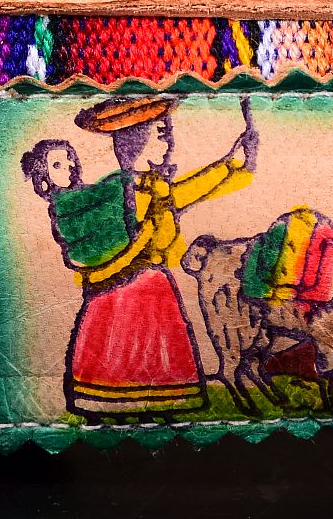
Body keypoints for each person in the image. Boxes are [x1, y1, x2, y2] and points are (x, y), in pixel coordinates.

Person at [22, 96, 258, 418]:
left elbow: (185, 192)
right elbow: (148, 220)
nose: (168, 141)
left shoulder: (148, 188)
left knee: (159, 356)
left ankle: (158, 411)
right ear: (137, 143)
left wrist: (230, 163)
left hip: (153, 286)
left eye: (167, 133)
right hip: (122, 294)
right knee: (122, 354)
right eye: (160, 134)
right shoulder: (118, 194)